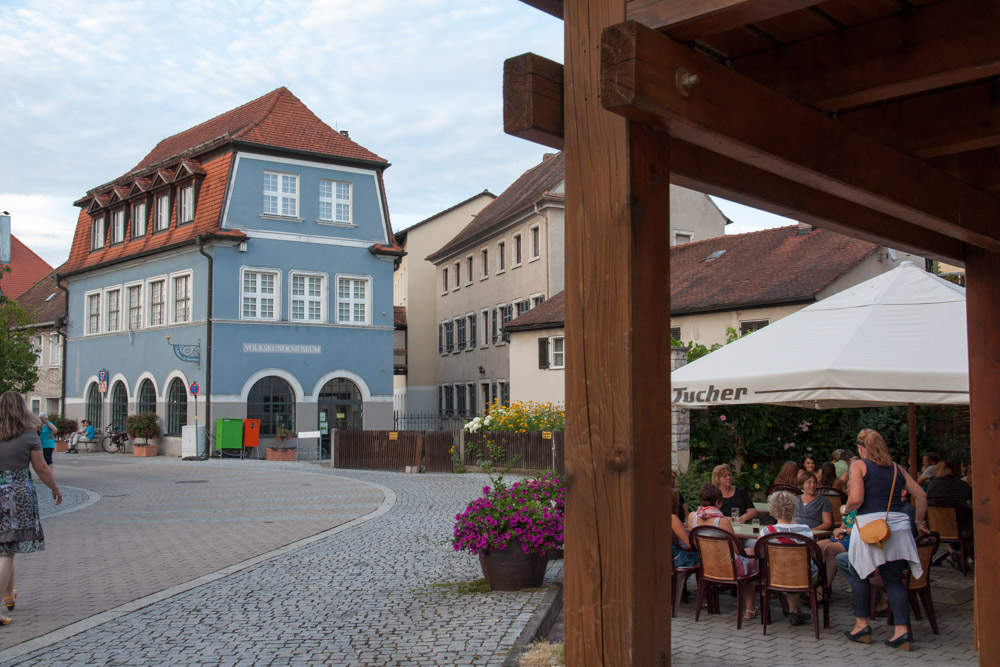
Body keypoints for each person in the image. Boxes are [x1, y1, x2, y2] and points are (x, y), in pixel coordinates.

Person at [837, 428, 927, 650]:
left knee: (859, 573)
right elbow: (922, 496)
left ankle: (862, 626)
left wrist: (844, 508)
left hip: (870, 526)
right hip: (898, 526)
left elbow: (856, 499)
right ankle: (902, 632)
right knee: (894, 579)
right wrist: (918, 522)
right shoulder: (897, 468)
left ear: (861, 448)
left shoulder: (859, 465)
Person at [0, 391, 62, 625]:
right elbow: (42, 468)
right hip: (17, 494)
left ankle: (9, 595)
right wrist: (55, 489)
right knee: (7, 550)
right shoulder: (28, 436)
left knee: (6, 546)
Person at [687, 484, 757, 619]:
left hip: (707, 566)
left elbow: (695, 544)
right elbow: (736, 550)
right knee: (751, 556)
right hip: (727, 567)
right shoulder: (722, 521)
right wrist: (749, 552)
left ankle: (710, 601)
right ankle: (750, 608)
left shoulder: (692, 517)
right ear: (718, 503)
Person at [759, 491, 815, 626]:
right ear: (793, 508)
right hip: (803, 575)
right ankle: (793, 610)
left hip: (776, 575)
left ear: (772, 509)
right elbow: (812, 554)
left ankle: (793, 610)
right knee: (799, 568)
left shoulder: (766, 532)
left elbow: (761, 554)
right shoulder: (805, 530)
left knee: (785, 569)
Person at [926, 459, 973, 568]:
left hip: (935, 528)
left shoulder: (933, 484)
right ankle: (960, 554)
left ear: (948, 471)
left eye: (938, 469)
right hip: (960, 529)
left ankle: (951, 551)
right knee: (977, 527)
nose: (935, 472)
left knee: (942, 520)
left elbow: (926, 501)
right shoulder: (964, 486)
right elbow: (972, 504)